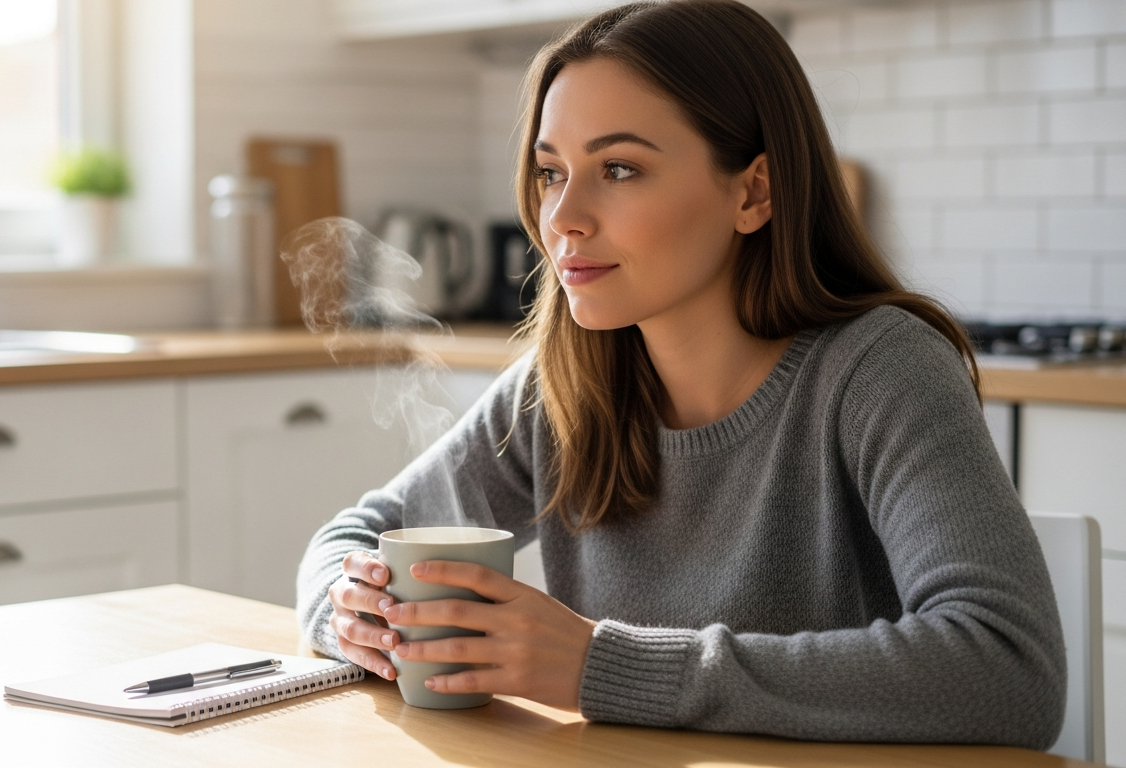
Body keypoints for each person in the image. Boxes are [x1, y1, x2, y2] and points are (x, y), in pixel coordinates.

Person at [295, 0, 1066, 748]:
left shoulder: (879, 370)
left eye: (620, 168)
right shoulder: (563, 385)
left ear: (753, 191)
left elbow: (1009, 670)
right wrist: (351, 612)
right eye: (550, 171)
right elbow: (355, 535)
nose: (562, 217)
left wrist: (604, 666)